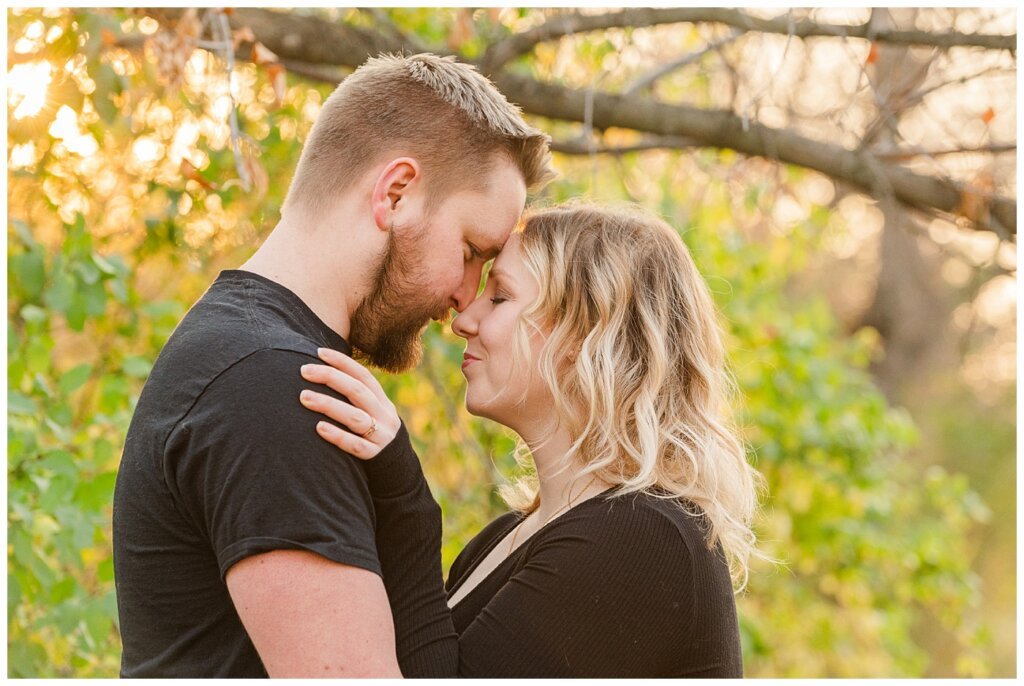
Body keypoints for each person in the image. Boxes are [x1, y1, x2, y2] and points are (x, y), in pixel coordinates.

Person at [111, 52, 554, 677]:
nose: (465, 296)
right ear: (396, 193)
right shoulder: (273, 389)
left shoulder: (248, 353)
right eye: (470, 251)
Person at [300, 203, 764, 677]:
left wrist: (406, 505)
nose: (463, 320)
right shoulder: (500, 540)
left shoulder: (642, 539)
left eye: (500, 297)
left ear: (585, 337)